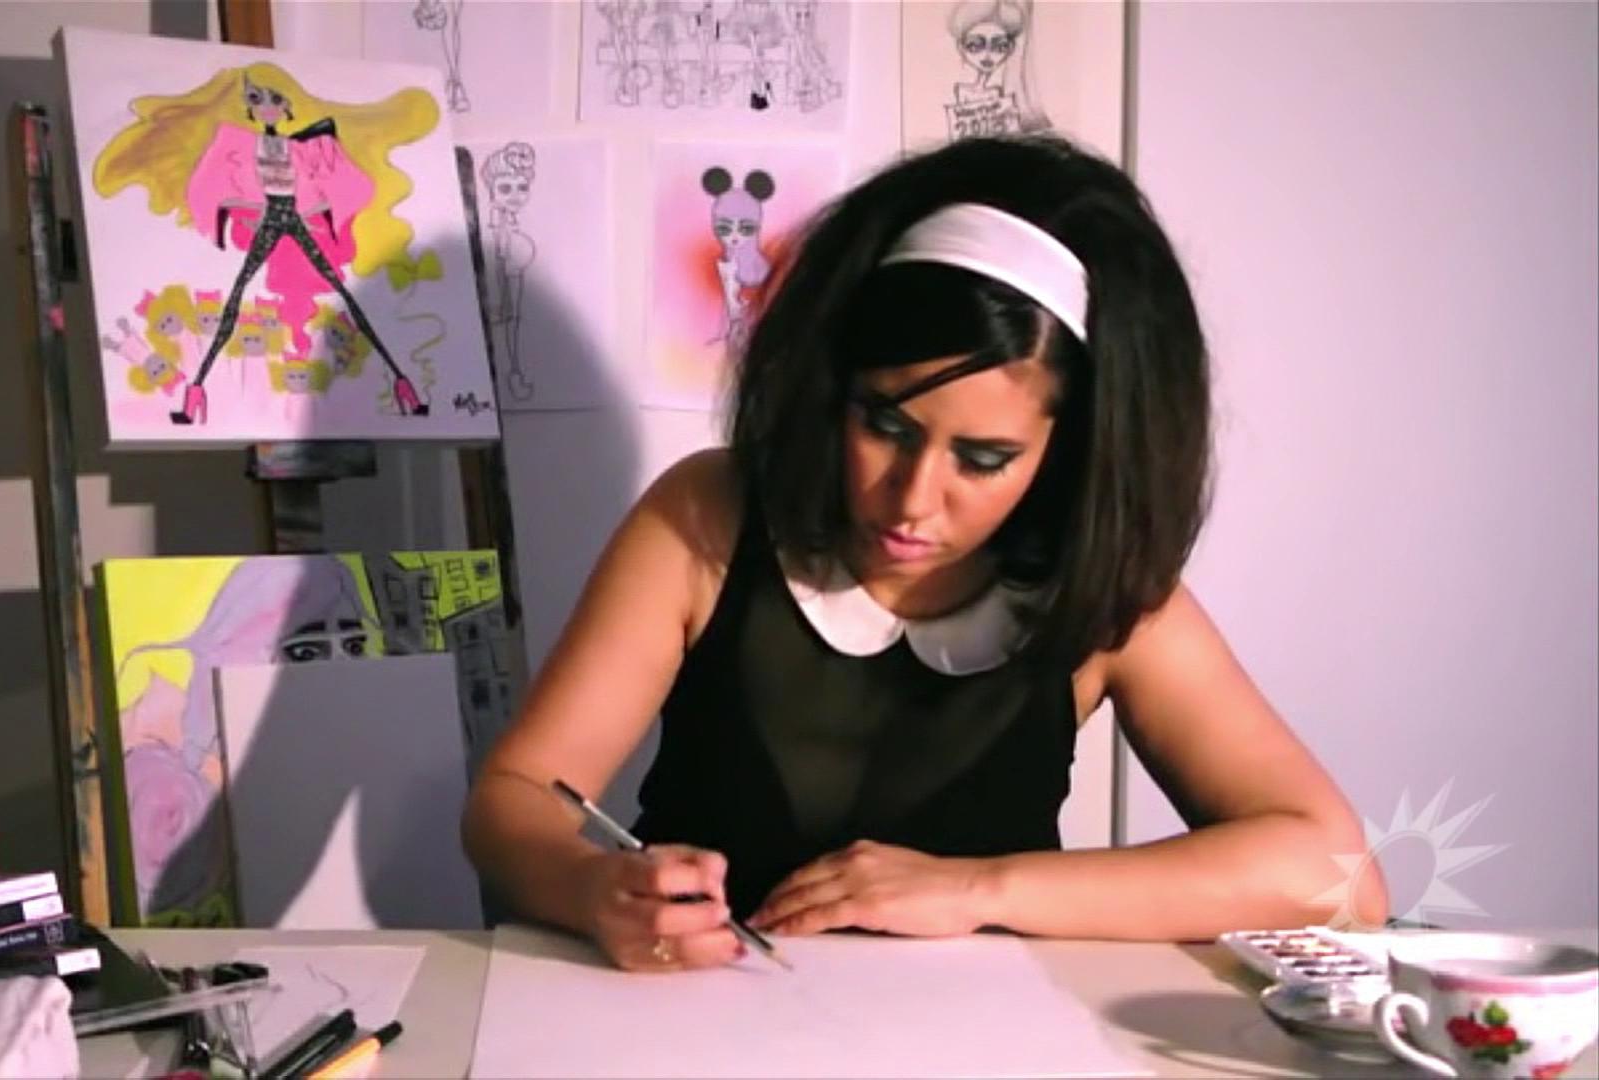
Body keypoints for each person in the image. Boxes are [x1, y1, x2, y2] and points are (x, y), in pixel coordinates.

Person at [461, 134, 1388, 972]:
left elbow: (1338, 877)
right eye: (886, 425)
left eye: (982, 460)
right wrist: (591, 889)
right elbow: (512, 798)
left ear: (1066, 454)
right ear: (834, 387)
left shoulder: (1095, 585)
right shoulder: (710, 515)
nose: (911, 500)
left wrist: (978, 889)